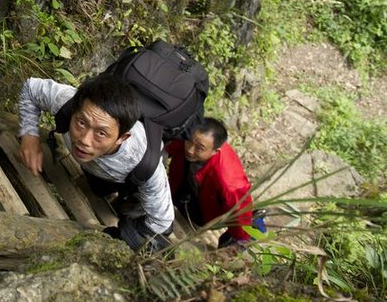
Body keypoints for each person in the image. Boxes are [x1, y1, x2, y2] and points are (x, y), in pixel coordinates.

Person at [17, 74, 174, 251]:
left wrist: (125, 236)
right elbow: (31, 88)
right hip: (99, 167)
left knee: (128, 207)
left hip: (130, 178)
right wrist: (29, 135)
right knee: (98, 187)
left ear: (122, 138)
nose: (84, 140)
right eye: (81, 123)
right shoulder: (67, 101)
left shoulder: (142, 163)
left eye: (101, 133)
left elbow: (163, 220)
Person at [166, 117, 264, 247]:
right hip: (184, 188)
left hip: (207, 209)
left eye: (199, 148)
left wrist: (239, 240)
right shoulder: (191, 138)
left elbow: (240, 208)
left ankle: (255, 225)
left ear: (214, 151)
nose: (190, 150)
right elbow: (166, 148)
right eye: (189, 141)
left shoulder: (229, 180)